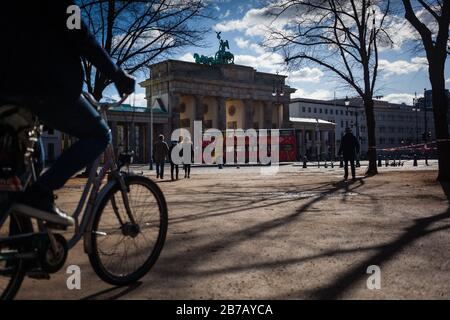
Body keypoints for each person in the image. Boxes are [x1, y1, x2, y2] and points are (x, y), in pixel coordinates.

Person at [0, 1, 135, 227]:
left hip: (8, 92)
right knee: (100, 135)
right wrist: (117, 75)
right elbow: (83, 38)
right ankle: (42, 192)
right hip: (46, 88)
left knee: (26, 167)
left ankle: (27, 249)